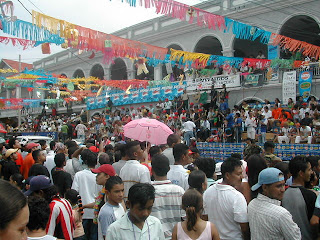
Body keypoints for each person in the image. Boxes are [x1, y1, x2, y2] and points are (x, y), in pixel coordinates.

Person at [203, 157, 249, 240]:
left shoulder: (208, 192)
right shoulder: (237, 197)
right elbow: (244, 227)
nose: (241, 177)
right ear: (227, 175)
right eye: (238, 174)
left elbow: (205, 218)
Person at [248, 168, 301, 239]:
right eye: (278, 186)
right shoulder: (281, 214)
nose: (283, 190)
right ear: (265, 188)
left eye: (283, 185)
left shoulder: (252, 204)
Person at [25, 175, 74, 240]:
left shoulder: (52, 207)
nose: (33, 197)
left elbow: (47, 235)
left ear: (40, 193)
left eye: (33, 194)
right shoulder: (65, 201)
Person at [150, 154, 185, 239]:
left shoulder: (148, 192)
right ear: (168, 169)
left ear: (152, 170)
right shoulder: (179, 191)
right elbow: (185, 217)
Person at [282, 156, 317, 240]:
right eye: (309, 170)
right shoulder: (310, 195)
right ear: (301, 173)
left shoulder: (283, 193)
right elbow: (314, 222)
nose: (311, 172)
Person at [72, 149, 100, 240]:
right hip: (95, 212)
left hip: (82, 212)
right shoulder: (100, 176)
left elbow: (74, 192)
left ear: (84, 161)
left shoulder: (79, 175)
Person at [98, 176, 125, 240]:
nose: (121, 194)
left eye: (122, 190)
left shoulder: (120, 206)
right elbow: (107, 236)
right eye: (117, 191)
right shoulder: (106, 213)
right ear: (107, 193)